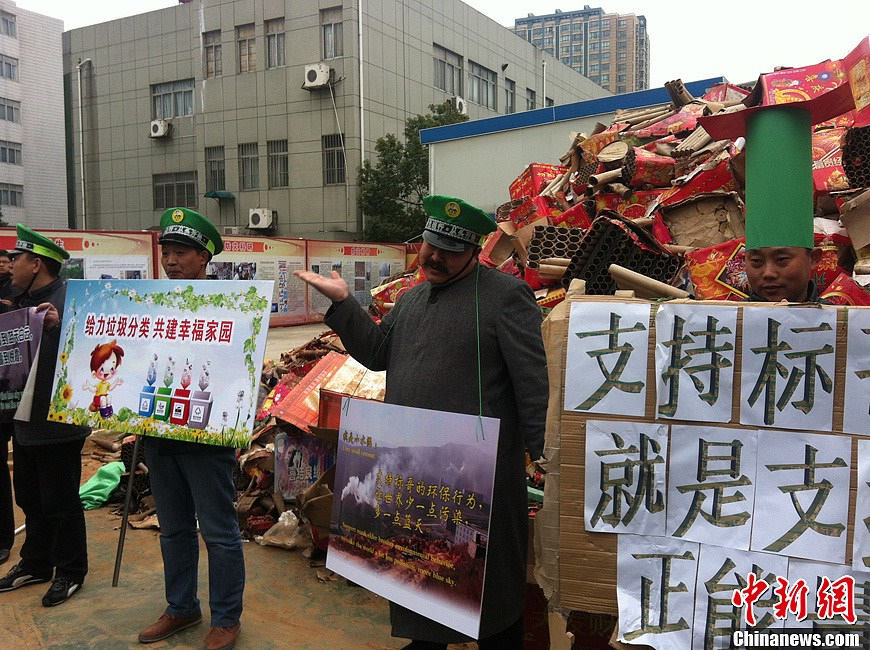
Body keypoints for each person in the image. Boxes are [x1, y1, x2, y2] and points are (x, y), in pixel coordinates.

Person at [295, 195, 548, 649]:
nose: (433, 257)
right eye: (430, 245)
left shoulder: (507, 298)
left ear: (474, 251)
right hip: (415, 475)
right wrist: (343, 305)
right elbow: (376, 353)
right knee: (419, 571)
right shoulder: (412, 300)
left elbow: (532, 384)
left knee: (487, 588)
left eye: (449, 251)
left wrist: (545, 453)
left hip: (478, 476)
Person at [137, 207, 243, 650]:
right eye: (167, 252)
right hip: (160, 433)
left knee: (218, 533)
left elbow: (241, 373)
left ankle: (226, 618)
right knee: (174, 528)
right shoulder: (155, 304)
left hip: (207, 438)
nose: (171, 260)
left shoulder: (235, 308)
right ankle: (181, 607)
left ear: (204, 258)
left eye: (181, 252)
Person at [0, 225, 90, 606]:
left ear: (36, 263)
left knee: (61, 499)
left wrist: (57, 327)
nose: (10, 267)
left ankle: (71, 570)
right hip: (23, 417)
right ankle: (36, 563)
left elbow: (91, 349)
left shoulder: (71, 300)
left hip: (59, 420)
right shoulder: (18, 300)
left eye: (16, 259)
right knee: (30, 495)